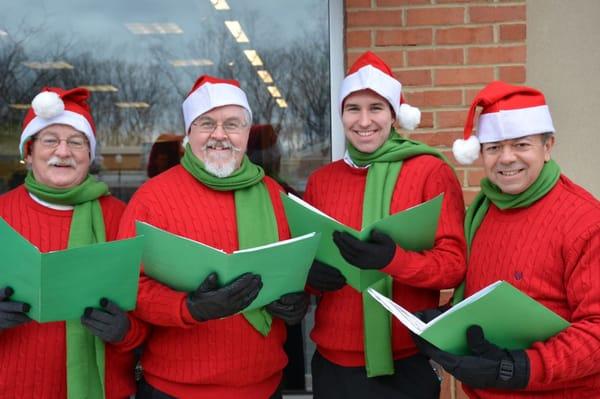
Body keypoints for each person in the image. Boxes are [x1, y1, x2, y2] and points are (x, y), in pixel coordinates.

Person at [117, 75, 309, 399]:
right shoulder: (151, 199)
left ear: (247, 133)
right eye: (206, 123)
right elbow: (127, 286)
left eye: (232, 124)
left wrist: (296, 303)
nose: (219, 135)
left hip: (264, 387)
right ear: (188, 133)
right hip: (175, 389)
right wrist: (188, 308)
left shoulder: (276, 197)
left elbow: (294, 271)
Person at [414, 81, 600, 398]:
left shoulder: (585, 220)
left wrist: (518, 367)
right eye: (494, 147)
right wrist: (442, 320)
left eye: (521, 145)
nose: (506, 158)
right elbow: (483, 298)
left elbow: (596, 330)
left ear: (548, 145)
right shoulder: (483, 212)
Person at [303, 51, 467, 398]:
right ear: (341, 115)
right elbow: (306, 259)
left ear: (394, 115)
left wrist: (392, 260)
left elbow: (454, 266)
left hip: (405, 364)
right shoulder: (322, 181)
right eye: (353, 109)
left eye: (376, 108)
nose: (364, 121)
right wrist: (308, 277)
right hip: (333, 364)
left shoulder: (429, 172)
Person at [0, 87, 147, 398]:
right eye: (50, 140)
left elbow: (149, 310)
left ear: (89, 155)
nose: (63, 152)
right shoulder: (2, 214)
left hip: (104, 389)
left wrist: (127, 332)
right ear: (28, 152)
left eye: (76, 142)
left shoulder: (123, 218)